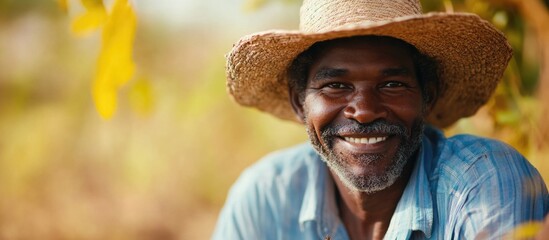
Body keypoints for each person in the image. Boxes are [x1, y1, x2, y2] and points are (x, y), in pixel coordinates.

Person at [213, 0, 549, 239]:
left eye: (392, 85)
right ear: (299, 103)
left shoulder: (484, 181)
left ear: (426, 96)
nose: (365, 110)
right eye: (336, 86)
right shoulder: (265, 197)